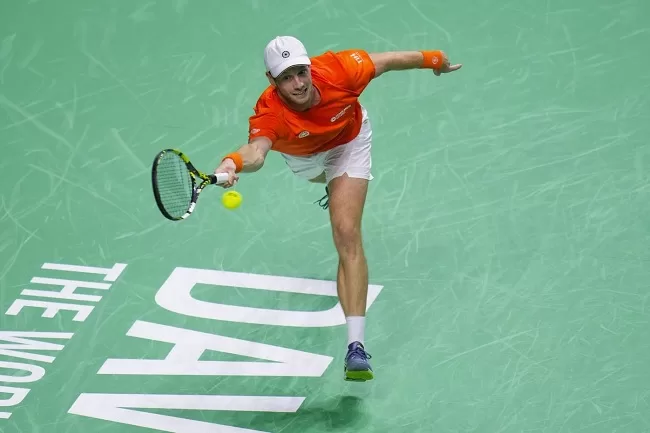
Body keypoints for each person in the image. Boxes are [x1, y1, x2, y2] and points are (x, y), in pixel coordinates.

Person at [213, 36, 462, 382]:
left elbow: (387, 60)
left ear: (310, 67)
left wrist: (434, 59)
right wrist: (232, 162)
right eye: (286, 77)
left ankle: (355, 347)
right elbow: (256, 151)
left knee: (346, 231)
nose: (298, 83)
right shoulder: (270, 112)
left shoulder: (340, 70)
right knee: (329, 184)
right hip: (304, 160)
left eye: (301, 72)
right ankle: (336, 188)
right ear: (272, 80)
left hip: (348, 142)